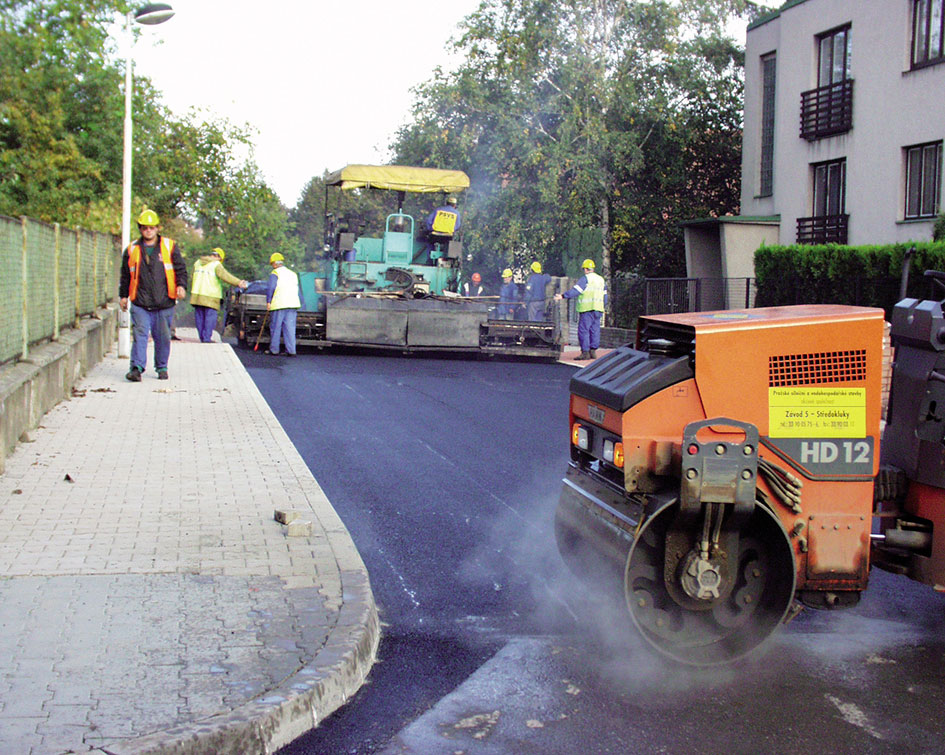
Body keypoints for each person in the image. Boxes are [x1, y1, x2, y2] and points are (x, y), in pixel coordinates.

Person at [119, 209, 188, 381]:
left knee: (163, 337)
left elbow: (180, 269)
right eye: (144, 228)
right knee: (140, 334)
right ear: (140, 229)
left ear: (157, 228)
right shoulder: (132, 249)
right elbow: (125, 275)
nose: (148, 231)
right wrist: (123, 296)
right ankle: (136, 368)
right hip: (140, 302)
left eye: (151, 227)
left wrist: (181, 286)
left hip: (164, 302)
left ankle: (162, 367)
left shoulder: (169, 246)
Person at [190, 247, 248, 343]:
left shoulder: (198, 263)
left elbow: (192, 276)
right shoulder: (216, 265)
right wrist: (239, 282)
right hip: (210, 295)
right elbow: (226, 276)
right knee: (210, 317)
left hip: (197, 294)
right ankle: (207, 338)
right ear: (219, 257)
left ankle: (202, 337)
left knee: (199, 316)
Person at [556, 258, 607, 360]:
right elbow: (605, 296)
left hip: (586, 309)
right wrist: (603, 306)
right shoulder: (601, 280)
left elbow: (576, 291)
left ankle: (585, 353)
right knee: (595, 330)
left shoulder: (585, 279)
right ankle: (593, 351)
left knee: (584, 331)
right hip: (598, 309)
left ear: (585, 269)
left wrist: (563, 296)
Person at [265, 252, 305, 356]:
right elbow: (298, 290)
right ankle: (291, 351)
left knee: (276, 327)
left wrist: (268, 301)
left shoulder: (275, 273)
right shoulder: (293, 274)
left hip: (279, 304)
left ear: (274, 264)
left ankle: (274, 350)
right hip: (292, 304)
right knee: (290, 328)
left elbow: (271, 288)